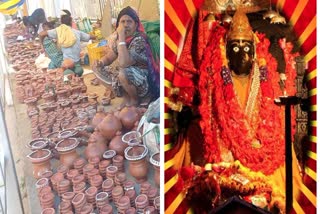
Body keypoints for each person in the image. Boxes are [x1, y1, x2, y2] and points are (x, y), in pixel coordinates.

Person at [166, 8, 303, 214]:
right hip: (226, 146)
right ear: (226, 53)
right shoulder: (217, 81)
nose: (242, 55)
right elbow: (213, 117)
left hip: (262, 148)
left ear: (255, 51)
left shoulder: (264, 78)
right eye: (235, 48)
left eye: (246, 48)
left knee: (282, 148)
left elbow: (270, 119)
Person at [92, 6, 159, 106]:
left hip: (145, 82)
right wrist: (100, 62)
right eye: (122, 22)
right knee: (97, 68)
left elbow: (124, 63)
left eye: (129, 22)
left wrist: (122, 38)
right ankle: (127, 96)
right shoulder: (119, 40)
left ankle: (135, 100)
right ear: (118, 25)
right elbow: (109, 57)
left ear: (136, 24)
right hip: (131, 77)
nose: (125, 25)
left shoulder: (139, 39)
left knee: (123, 73)